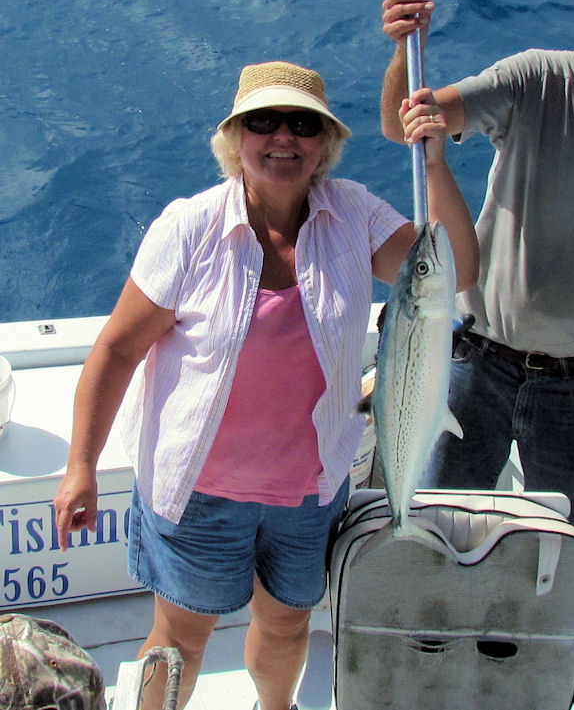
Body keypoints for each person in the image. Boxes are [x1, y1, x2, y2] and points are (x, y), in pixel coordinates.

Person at [53, 60, 478, 710]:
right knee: (181, 638)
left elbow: (455, 268)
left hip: (306, 490)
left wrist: (435, 163)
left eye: (304, 123)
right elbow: (117, 349)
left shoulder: (355, 214)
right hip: (199, 489)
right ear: (236, 137)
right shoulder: (190, 229)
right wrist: (80, 463)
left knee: (286, 624)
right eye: (264, 121)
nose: (284, 136)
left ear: (325, 143)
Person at [380, 0, 574, 543]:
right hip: (479, 363)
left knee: (565, 559)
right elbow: (404, 125)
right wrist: (408, 50)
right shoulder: (538, 80)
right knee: (437, 540)